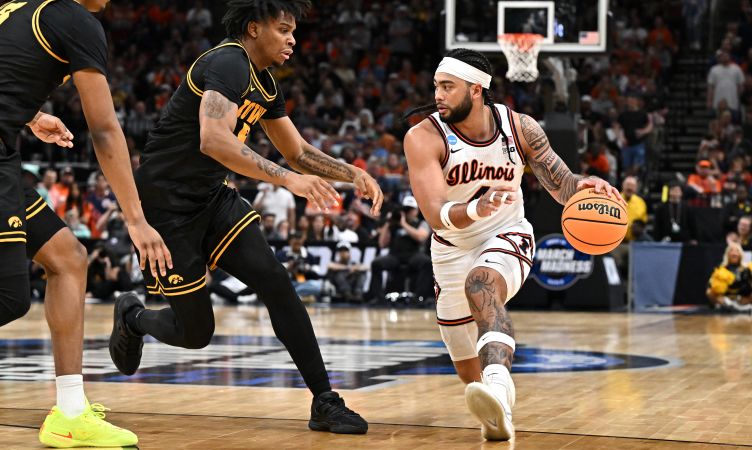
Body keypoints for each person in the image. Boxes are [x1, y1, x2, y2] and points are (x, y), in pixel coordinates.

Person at [109, 0, 383, 435]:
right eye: (283, 29)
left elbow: (297, 151)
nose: (293, 39)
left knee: (276, 282)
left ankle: (324, 401)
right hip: (165, 207)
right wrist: (290, 182)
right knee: (196, 332)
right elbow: (214, 141)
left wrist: (353, 173)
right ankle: (133, 318)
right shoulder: (227, 61)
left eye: (294, 31)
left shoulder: (266, 83)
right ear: (254, 28)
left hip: (211, 199)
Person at [0, 0, 172, 447]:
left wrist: (30, 115)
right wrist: (135, 219)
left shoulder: (18, 8)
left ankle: (69, 411)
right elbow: (105, 129)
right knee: (7, 296)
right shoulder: (77, 20)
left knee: (69, 257)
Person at [402, 48, 621, 440]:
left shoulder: (520, 128)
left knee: (481, 283)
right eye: (436, 85)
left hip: (507, 233)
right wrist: (475, 208)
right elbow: (435, 213)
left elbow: (560, 182)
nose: (437, 94)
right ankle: (496, 413)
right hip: (450, 247)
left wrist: (582, 187)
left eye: (447, 87)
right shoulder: (423, 136)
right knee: (469, 372)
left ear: (475, 89)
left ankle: (502, 392)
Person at [366, 195, 433, 302]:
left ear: (416, 210)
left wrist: (404, 224)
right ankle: (378, 298)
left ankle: (420, 297)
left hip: (413, 254)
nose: (408, 212)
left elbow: (421, 237)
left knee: (427, 263)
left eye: (411, 209)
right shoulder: (393, 224)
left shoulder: (420, 223)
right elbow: (382, 244)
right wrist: (388, 224)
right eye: (406, 209)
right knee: (376, 263)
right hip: (395, 255)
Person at [706, 242, 752, 311]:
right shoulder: (721, 268)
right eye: (731, 251)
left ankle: (736, 307)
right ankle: (729, 306)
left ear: (741, 254)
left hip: (741, 298)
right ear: (727, 254)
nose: (734, 253)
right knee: (709, 292)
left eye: (737, 251)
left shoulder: (746, 268)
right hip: (725, 298)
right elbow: (710, 284)